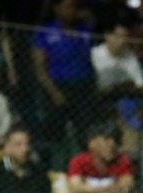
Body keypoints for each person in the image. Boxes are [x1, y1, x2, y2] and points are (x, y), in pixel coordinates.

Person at [31, 0, 102, 142]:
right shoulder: (45, 33)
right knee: (55, 135)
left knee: (85, 132)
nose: (71, 11)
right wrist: (54, 92)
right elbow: (39, 68)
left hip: (83, 86)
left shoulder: (84, 30)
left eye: (74, 7)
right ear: (57, 9)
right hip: (58, 85)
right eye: (67, 7)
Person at [66, 122, 134, 193]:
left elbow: (127, 186)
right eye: (106, 139)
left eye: (115, 140)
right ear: (92, 142)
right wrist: (105, 189)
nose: (112, 144)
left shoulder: (122, 161)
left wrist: (90, 190)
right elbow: (75, 188)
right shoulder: (78, 161)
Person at [90, 22, 143, 100]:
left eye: (125, 37)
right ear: (107, 36)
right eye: (118, 36)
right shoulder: (95, 54)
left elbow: (139, 82)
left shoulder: (131, 56)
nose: (122, 41)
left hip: (128, 96)